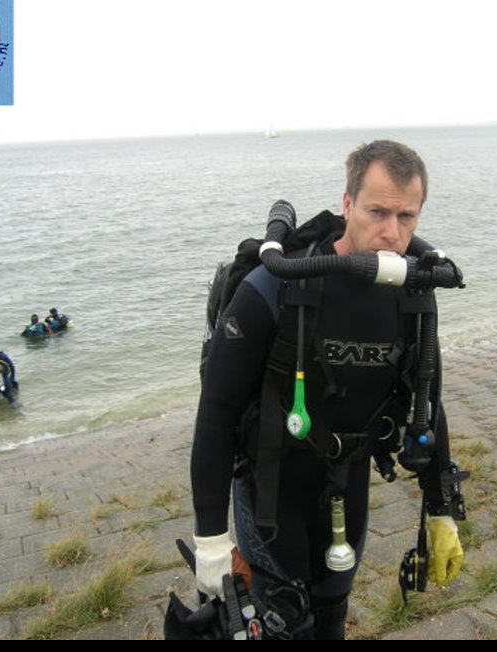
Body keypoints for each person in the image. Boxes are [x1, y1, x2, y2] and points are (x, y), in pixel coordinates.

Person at [189, 140, 465, 639]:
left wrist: (441, 509)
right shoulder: (274, 287)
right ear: (347, 204)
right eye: (377, 212)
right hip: (272, 493)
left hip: (347, 491)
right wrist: (210, 538)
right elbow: (216, 414)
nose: (392, 233)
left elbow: (427, 400)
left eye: (406, 216)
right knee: (283, 622)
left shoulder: (413, 295)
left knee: (333, 618)